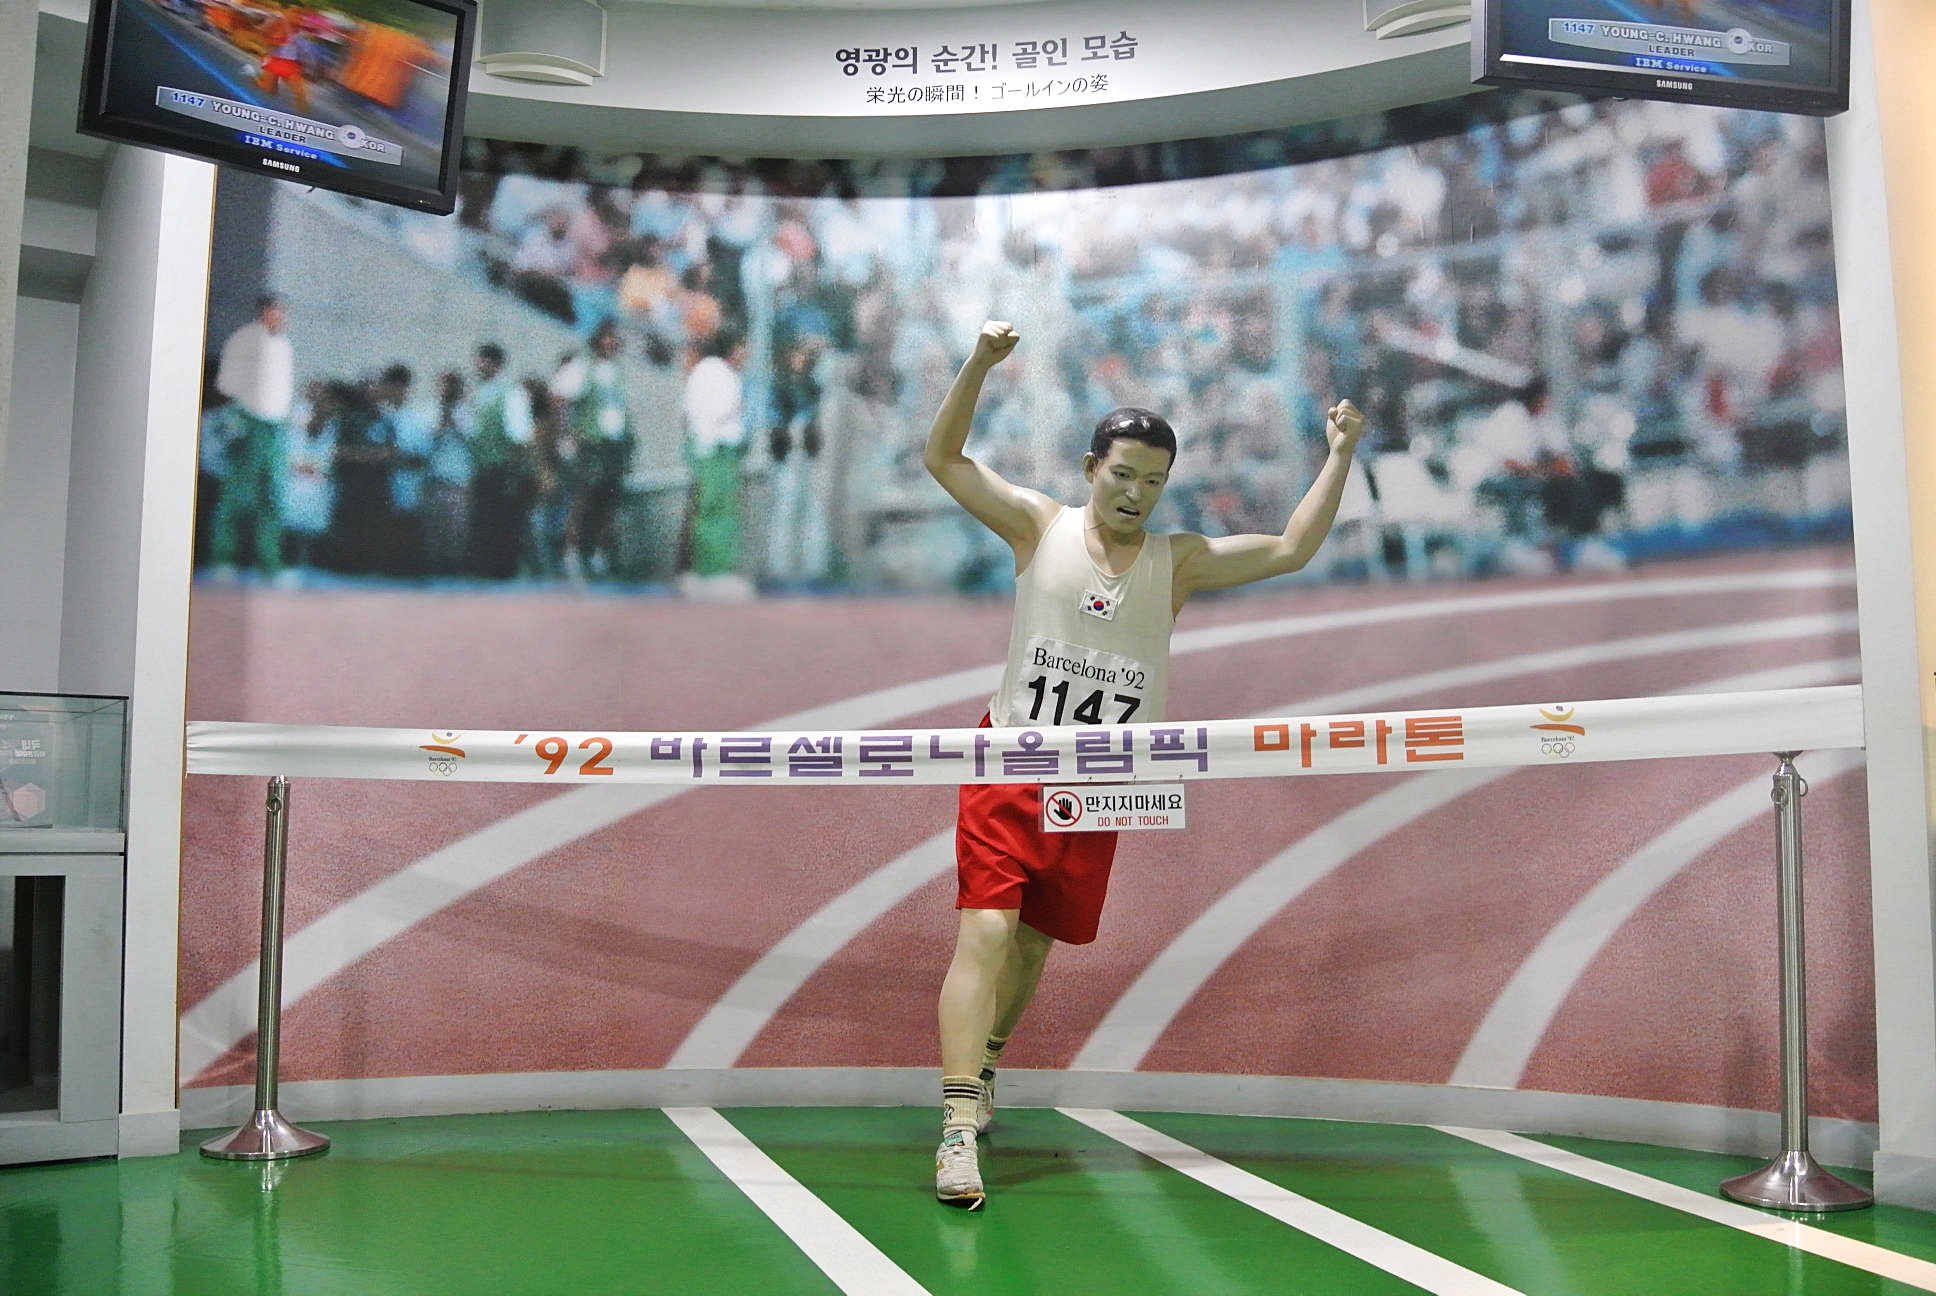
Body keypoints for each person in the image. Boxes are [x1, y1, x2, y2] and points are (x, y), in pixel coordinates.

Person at [923, 320, 1364, 1209]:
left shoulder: (1179, 562)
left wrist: (1341, 452)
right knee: (987, 933)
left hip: (1099, 784)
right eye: (1122, 475)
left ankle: (990, 1063)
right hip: (1011, 761)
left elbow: (1291, 548)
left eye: (1153, 482)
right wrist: (979, 363)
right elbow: (945, 459)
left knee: (1035, 944)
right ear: (1092, 468)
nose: (1135, 494)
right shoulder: (1038, 526)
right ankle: (957, 1127)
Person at [209, 294, 296, 580]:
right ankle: (223, 559)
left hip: (275, 426)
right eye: (274, 311)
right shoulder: (244, 340)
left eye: (283, 312)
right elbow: (227, 385)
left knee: (272, 496)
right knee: (237, 495)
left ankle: (269, 564)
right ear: (263, 313)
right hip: (248, 420)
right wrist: (235, 421)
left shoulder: (284, 346)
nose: (280, 317)